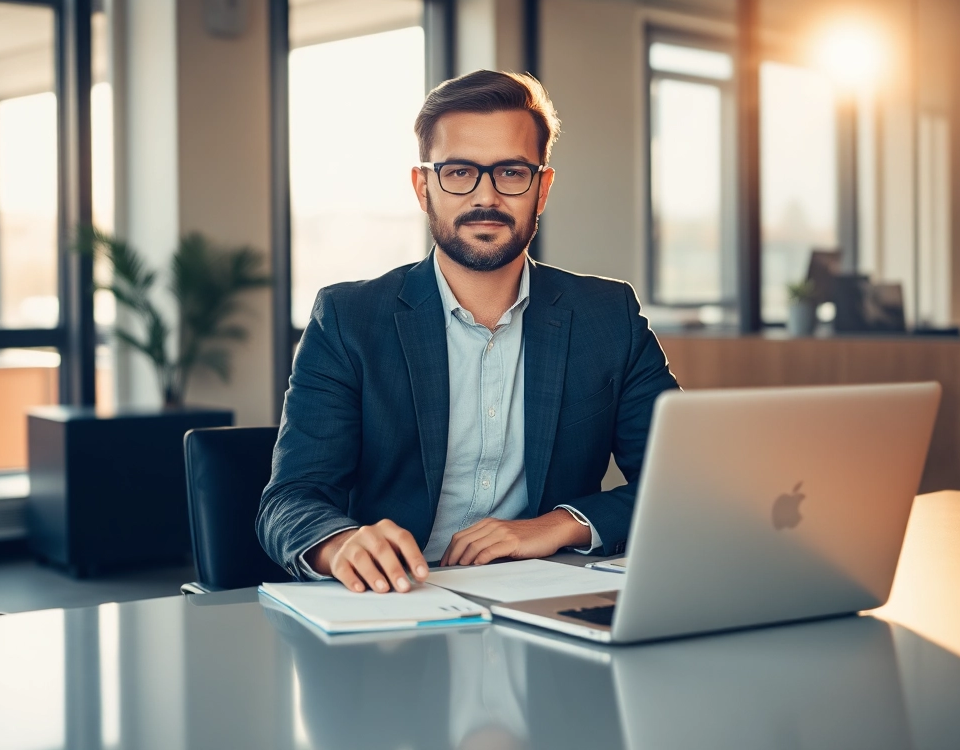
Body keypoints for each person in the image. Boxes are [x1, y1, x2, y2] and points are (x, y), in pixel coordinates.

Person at [255, 69, 679, 593]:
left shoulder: (607, 315)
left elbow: (680, 479)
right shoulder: (348, 318)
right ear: (423, 186)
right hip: (396, 603)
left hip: (543, 597)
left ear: (542, 188)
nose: (486, 197)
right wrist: (339, 543)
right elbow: (289, 501)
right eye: (458, 172)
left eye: (511, 173)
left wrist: (558, 524)